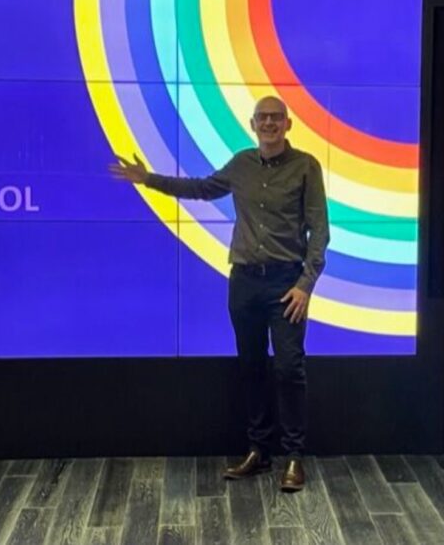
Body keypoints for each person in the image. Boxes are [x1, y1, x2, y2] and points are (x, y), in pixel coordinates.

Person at [109, 96, 329, 492]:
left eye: (276, 117)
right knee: (252, 367)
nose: (269, 123)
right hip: (244, 282)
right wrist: (148, 179)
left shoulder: (306, 166)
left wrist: (305, 285)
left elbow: (320, 231)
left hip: (286, 284)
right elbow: (201, 188)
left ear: (288, 124)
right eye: (262, 117)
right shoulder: (241, 164)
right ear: (252, 124)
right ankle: (259, 451)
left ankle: (294, 455)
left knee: (289, 368)